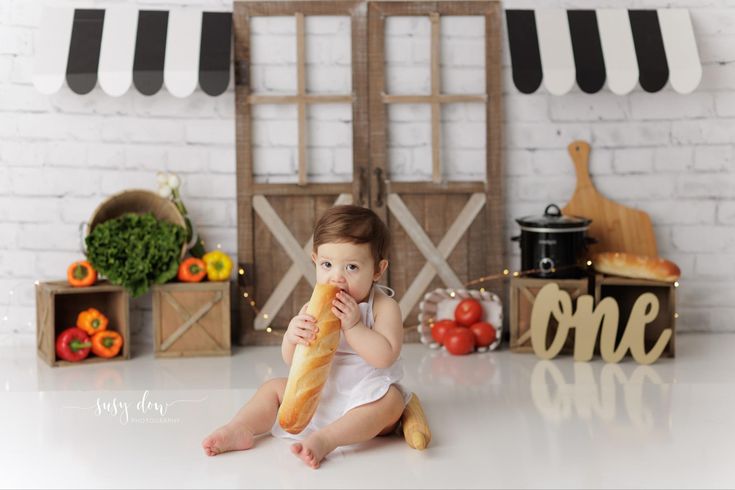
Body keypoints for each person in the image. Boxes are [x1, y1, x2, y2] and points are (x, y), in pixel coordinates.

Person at [202, 204, 411, 469]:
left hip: (364, 396)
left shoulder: (383, 306)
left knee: (392, 403)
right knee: (273, 388)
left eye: (352, 267)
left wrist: (354, 326)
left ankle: (327, 439)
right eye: (327, 264)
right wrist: (292, 336)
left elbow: (385, 356)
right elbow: (293, 361)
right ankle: (240, 428)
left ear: (378, 270)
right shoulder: (315, 307)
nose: (337, 277)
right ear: (315, 260)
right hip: (320, 394)